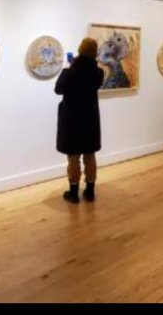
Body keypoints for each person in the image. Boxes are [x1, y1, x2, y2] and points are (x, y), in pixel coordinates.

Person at [55, 37, 105, 203]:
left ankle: (74, 192)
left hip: (72, 120)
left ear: (79, 51)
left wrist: (68, 68)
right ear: (94, 53)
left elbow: (58, 89)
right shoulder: (98, 73)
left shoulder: (70, 73)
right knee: (90, 155)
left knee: (73, 156)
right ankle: (90, 191)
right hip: (90, 120)